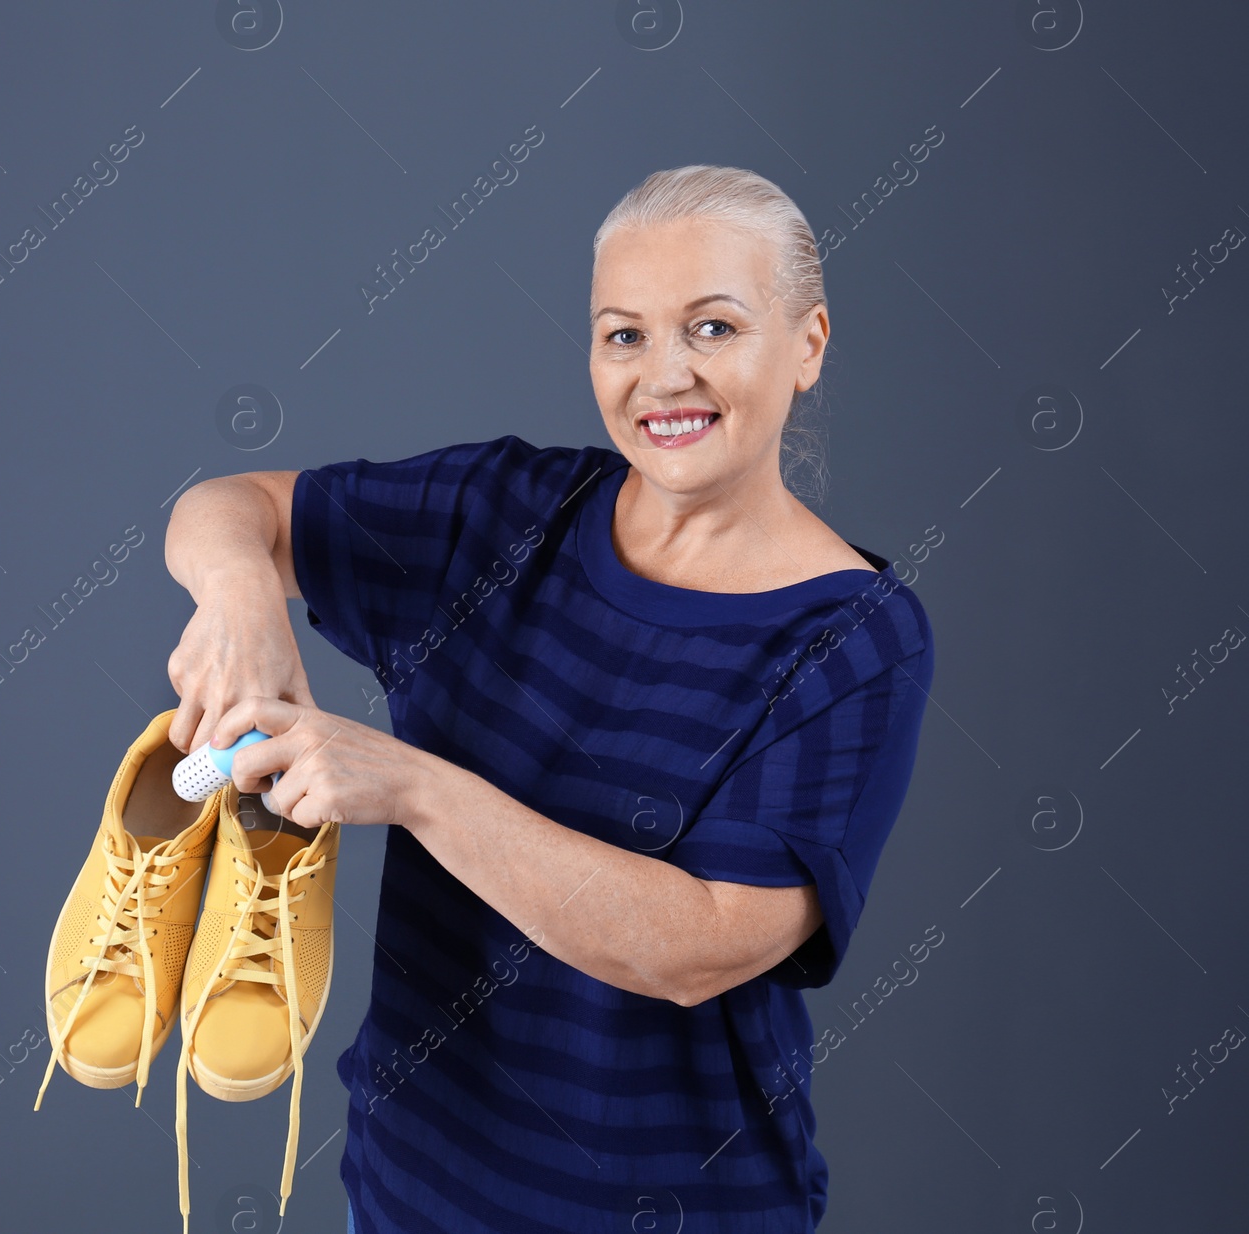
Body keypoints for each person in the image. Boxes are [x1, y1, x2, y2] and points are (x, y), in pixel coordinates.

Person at [165, 164, 935, 1233]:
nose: (662, 376)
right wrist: (242, 596)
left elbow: (693, 946)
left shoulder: (850, 638)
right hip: (405, 1197)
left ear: (806, 344)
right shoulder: (504, 510)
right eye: (623, 335)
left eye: (711, 328)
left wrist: (414, 788)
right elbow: (225, 506)